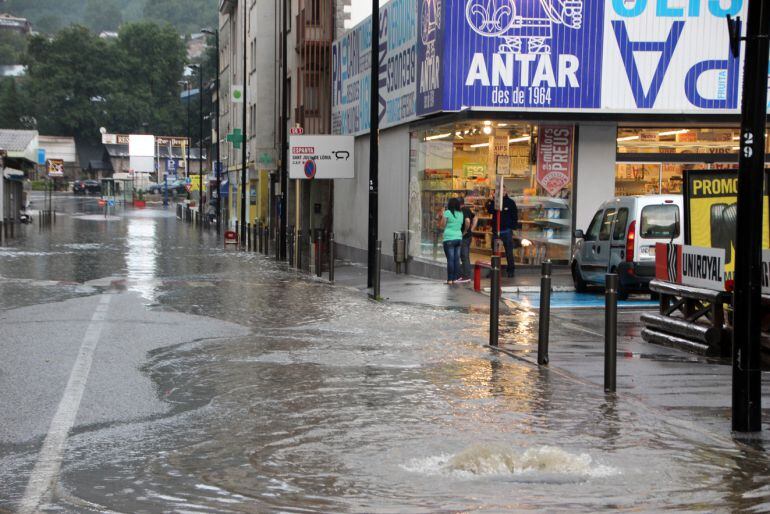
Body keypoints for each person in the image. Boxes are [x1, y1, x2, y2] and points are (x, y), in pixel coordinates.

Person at [486, 187, 519, 277]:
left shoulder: (510, 202)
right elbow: (490, 210)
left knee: (509, 252)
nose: (501, 193)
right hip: (496, 231)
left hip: (506, 231)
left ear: (505, 191)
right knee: (495, 252)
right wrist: (491, 200)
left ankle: (511, 271)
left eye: (502, 191)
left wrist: (512, 227)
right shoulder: (495, 202)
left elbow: (515, 216)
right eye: (498, 191)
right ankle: (494, 270)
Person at [438, 197, 464, 284]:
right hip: (459, 238)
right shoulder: (461, 214)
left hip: (449, 239)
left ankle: (449, 279)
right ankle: (455, 279)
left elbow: (442, 225)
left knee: (450, 259)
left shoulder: (447, 213)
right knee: (456, 259)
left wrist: (441, 215)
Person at [458, 196, 477, 283]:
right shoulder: (468, 210)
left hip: (464, 237)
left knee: (464, 256)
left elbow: (468, 221)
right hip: (468, 236)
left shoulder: (463, 210)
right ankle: (466, 274)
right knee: (465, 256)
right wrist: (472, 229)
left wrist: (465, 231)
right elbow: (476, 218)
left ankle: (466, 276)